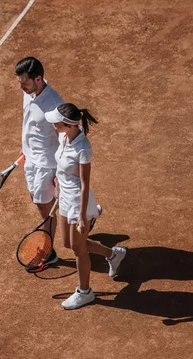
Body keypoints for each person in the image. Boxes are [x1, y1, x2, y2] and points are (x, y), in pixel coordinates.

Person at [45, 103, 127, 309]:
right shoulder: (64, 137)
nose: (53, 124)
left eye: (57, 121)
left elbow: (84, 185)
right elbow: (61, 165)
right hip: (64, 198)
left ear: (69, 125)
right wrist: (57, 184)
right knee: (68, 243)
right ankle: (114, 254)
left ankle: (85, 292)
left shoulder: (83, 149)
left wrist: (82, 216)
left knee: (79, 250)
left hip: (77, 204)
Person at [15, 57, 64, 266]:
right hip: (31, 160)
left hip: (46, 164)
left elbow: (66, 139)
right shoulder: (31, 91)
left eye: (25, 83)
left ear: (38, 79)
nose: (22, 87)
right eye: (20, 82)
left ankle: (49, 251)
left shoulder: (54, 106)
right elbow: (29, 122)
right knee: (37, 200)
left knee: (45, 207)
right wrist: (25, 148)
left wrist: (60, 174)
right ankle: (87, 210)